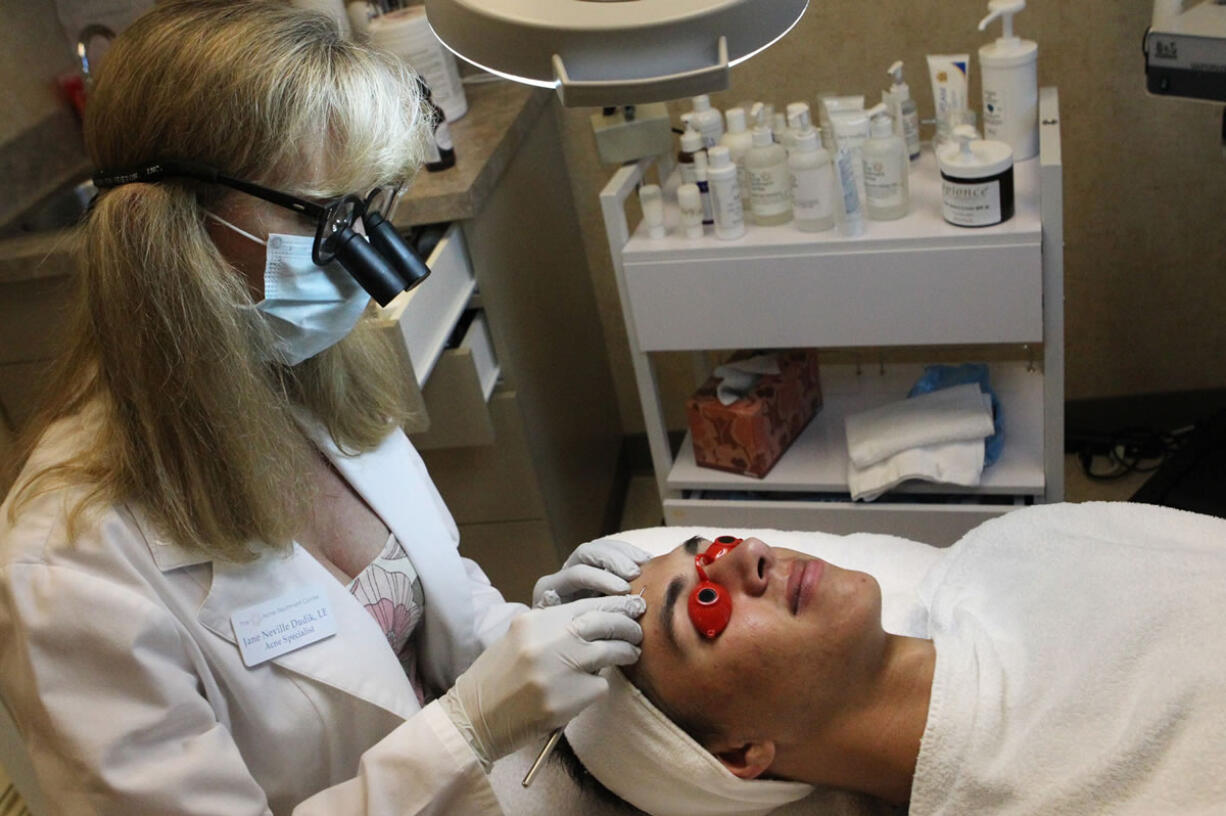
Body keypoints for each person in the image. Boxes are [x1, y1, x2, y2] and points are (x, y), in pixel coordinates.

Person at [0, 2, 650, 814]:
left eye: (373, 209)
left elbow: (420, 597)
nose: (373, 264)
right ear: (170, 230)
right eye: (331, 217)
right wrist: (470, 729)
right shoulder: (69, 568)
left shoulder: (303, 372)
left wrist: (524, 636)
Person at [564, 503, 1226, 816]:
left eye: (716, 547)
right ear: (739, 755)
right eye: (707, 604)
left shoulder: (999, 551)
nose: (750, 553)